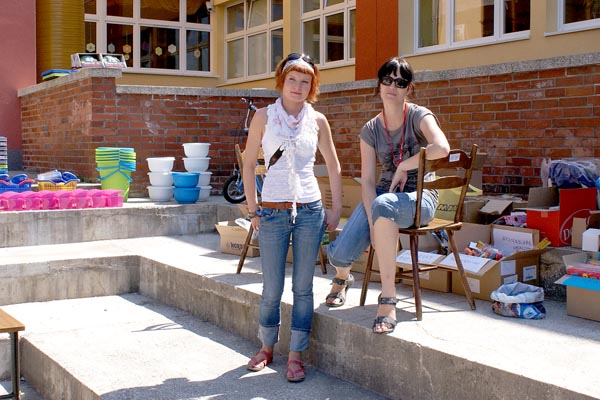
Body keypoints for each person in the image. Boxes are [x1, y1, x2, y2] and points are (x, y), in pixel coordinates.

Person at [324, 57, 450, 334]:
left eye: (401, 82)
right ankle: (342, 277)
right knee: (339, 255)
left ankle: (388, 298)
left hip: (420, 197)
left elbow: (442, 148)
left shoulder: (419, 115)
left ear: (409, 88)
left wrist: (405, 165)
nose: (393, 86)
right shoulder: (370, 130)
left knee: (383, 204)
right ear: (379, 84)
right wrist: (372, 220)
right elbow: (368, 181)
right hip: (383, 195)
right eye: (387, 80)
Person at [242, 52, 342, 381]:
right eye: (292, 80)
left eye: (305, 81)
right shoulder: (263, 116)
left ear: (312, 86)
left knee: (303, 287)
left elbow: (333, 165)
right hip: (272, 211)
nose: (298, 86)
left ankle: (296, 355)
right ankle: (266, 347)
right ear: (281, 82)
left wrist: (335, 208)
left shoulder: (318, 120)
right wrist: (253, 208)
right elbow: (248, 164)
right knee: (271, 286)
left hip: (310, 211)